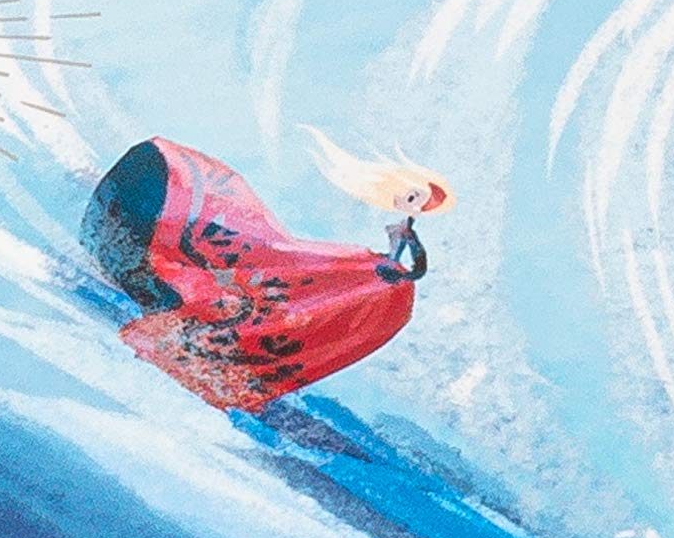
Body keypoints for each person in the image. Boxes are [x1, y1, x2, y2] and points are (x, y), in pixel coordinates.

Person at [81, 127, 452, 412]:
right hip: (331, 277)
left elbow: (406, 267)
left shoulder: (376, 276)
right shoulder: (367, 270)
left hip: (351, 279)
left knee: (245, 284)